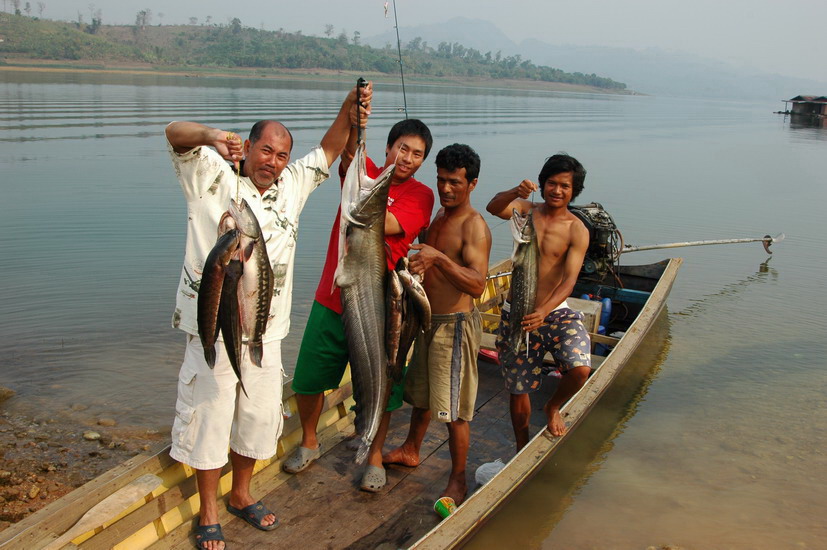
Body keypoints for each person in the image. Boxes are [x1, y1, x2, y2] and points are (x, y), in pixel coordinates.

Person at [165, 83, 371, 550]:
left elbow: (332, 145)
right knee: (209, 419)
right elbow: (173, 133)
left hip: (265, 334)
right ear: (249, 146)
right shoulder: (211, 176)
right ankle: (209, 513)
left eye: (281, 155)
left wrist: (351, 105)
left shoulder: (291, 186)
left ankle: (240, 494)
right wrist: (212, 135)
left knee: (256, 420)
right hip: (213, 331)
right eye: (266, 150)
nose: (273, 162)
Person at [283, 118, 435, 491]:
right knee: (307, 379)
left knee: (382, 384)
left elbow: (384, 223)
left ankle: (374, 454)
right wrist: (357, 114)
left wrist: (365, 188)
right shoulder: (364, 174)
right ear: (388, 147)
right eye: (403, 149)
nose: (408, 158)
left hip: (383, 308)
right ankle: (309, 441)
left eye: (417, 154)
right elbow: (348, 152)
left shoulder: (421, 195)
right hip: (332, 296)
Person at [380, 143, 491, 511]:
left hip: (456, 326)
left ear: (472, 183)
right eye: (441, 180)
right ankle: (412, 448)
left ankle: (458, 479)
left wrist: (438, 259)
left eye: (455, 183)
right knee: (424, 393)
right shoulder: (440, 218)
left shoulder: (474, 227)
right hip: (428, 320)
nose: (446, 189)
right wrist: (421, 264)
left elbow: (477, 284)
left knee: (454, 409)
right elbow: (431, 264)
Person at [485, 154, 591, 452]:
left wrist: (544, 311)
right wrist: (515, 192)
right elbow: (494, 207)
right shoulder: (526, 211)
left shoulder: (576, 230)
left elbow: (569, 281)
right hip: (516, 313)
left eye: (565, 186)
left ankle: (554, 406)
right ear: (542, 184)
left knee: (580, 369)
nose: (557, 191)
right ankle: (521, 445)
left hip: (555, 312)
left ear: (574, 191)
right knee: (519, 389)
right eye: (552, 183)